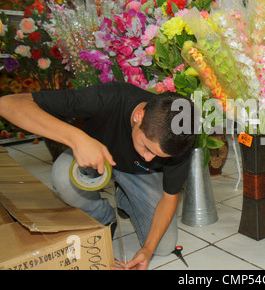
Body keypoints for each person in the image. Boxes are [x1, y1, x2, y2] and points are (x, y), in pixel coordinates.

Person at [0, 81, 196, 270]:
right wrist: (77, 138)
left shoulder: (180, 139)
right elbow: (7, 104)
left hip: (139, 173)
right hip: (92, 160)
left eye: (158, 156)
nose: (148, 157)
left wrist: (147, 250)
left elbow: (170, 198)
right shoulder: (111, 96)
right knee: (63, 175)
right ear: (139, 116)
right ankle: (102, 217)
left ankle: (126, 198)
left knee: (163, 248)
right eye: (146, 147)